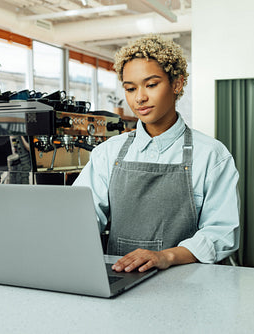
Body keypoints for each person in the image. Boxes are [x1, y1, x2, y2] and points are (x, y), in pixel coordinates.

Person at [73, 35, 240, 273]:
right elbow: (82, 215)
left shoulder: (212, 155)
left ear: (177, 84)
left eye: (151, 85)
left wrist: (167, 256)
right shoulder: (107, 153)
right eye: (130, 88)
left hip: (189, 282)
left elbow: (222, 232)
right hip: (121, 275)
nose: (139, 97)